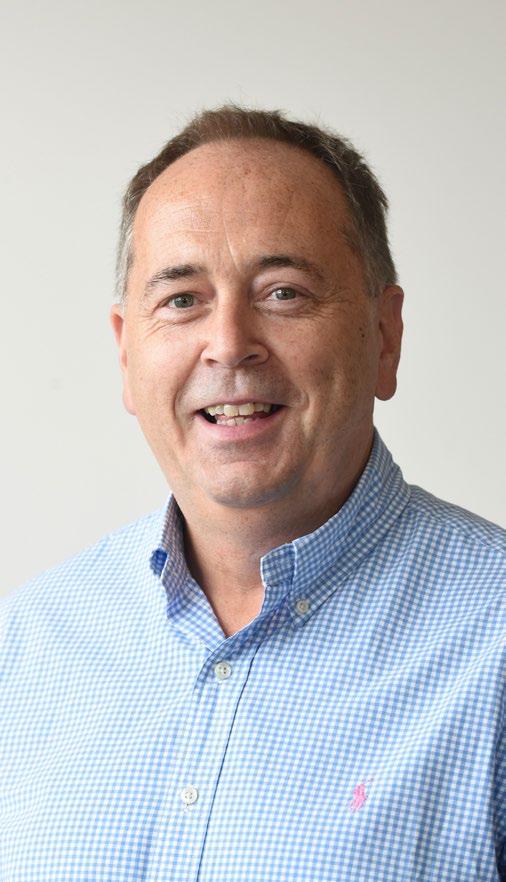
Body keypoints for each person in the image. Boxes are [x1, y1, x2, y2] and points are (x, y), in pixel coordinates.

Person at [1, 104, 505, 882]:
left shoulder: (493, 643)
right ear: (126, 352)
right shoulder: (24, 649)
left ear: (386, 335)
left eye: (284, 293)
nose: (230, 343)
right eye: (182, 299)